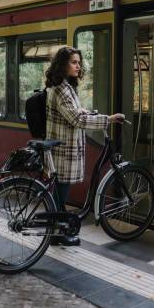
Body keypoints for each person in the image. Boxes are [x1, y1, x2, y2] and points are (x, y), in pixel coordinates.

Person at [44, 46, 124, 246]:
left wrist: (91, 114)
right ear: (62, 65)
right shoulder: (62, 90)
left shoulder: (65, 87)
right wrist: (108, 119)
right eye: (73, 62)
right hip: (63, 151)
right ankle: (56, 233)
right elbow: (77, 119)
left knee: (61, 193)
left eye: (79, 62)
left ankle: (57, 231)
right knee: (60, 194)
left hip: (64, 150)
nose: (78, 66)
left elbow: (76, 112)